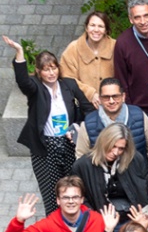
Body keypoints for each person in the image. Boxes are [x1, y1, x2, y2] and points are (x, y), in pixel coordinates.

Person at [9, 41, 93, 213]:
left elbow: (88, 109)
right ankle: (54, 225)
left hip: (70, 144)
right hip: (46, 147)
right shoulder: (36, 88)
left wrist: (78, 127)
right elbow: (23, 81)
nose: (51, 72)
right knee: (51, 191)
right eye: (46, 69)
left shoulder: (69, 85)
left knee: (75, 187)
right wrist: (19, 53)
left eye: (54, 68)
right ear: (39, 72)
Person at [83, 76, 148, 172]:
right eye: (106, 97)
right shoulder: (88, 122)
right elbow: (82, 157)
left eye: (115, 96)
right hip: (104, 180)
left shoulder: (139, 115)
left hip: (138, 176)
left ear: (123, 97)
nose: (111, 101)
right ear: (100, 99)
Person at [58, 10, 115, 103]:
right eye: (92, 25)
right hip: (83, 103)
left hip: (113, 103)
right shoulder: (73, 48)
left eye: (100, 26)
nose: (96, 30)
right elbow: (67, 77)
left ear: (106, 30)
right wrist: (90, 93)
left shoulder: (116, 46)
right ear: (86, 27)